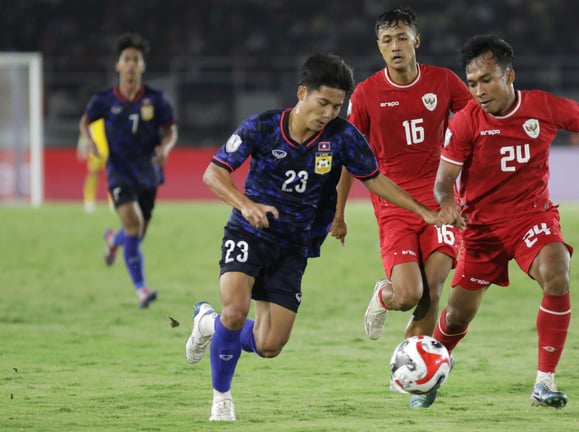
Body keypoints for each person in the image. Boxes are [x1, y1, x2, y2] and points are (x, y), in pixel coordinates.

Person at [184, 53, 451, 422]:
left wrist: (422, 210)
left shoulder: (342, 137)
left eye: (336, 106)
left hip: (294, 246)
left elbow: (373, 177)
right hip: (249, 231)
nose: (328, 114)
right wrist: (245, 205)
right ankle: (221, 399)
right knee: (235, 310)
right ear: (302, 93)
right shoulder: (262, 127)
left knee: (269, 344)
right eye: (322, 103)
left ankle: (206, 324)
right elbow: (214, 174)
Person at [430, 34, 579, 409]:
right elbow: (443, 181)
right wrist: (447, 203)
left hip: (532, 218)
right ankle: (430, 371)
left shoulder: (544, 106)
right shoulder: (466, 122)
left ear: (509, 76)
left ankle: (544, 382)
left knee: (558, 272)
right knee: (457, 315)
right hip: (481, 230)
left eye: (487, 80)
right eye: (472, 83)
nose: (478, 90)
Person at [341, 8, 471, 408]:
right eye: (386, 41)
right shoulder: (365, 93)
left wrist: (467, 193)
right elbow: (350, 154)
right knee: (407, 293)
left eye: (401, 38)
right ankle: (385, 296)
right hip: (393, 204)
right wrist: (337, 212)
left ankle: (414, 377)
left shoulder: (444, 82)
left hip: (440, 202)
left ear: (417, 40)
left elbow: (475, 125)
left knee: (431, 291)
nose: (394, 47)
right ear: (378, 47)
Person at [79, 33, 178, 308]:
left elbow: (171, 130)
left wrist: (165, 150)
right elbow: (85, 122)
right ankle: (141, 289)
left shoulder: (156, 100)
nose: (132, 64)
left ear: (143, 66)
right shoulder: (104, 100)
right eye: (127, 59)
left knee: (137, 231)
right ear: (118, 66)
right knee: (134, 227)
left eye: (137, 59)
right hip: (119, 171)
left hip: (148, 173)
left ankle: (113, 240)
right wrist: (90, 143)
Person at [77, 118, 110, 213]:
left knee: (112, 176)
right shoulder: (93, 114)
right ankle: (89, 200)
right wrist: (82, 145)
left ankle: (112, 200)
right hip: (95, 150)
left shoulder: (110, 112)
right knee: (93, 174)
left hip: (109, 149)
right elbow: (85, 128)